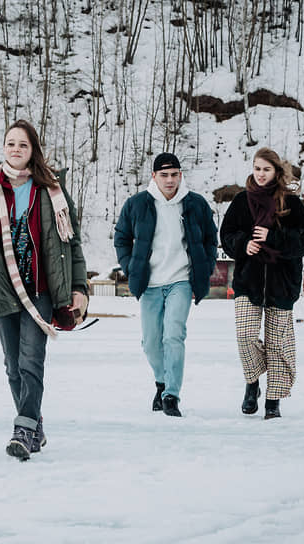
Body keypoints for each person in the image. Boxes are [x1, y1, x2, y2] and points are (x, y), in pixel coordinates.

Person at [0, 119, 89, 460]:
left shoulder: (51, 193)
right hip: (4, 291)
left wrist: (79, 287)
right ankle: (35, 427)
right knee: (13, 366)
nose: (16, 149)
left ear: (33, 151)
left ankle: (23, 429)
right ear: (4, 148)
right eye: (11, 143)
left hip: (40, 291)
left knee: (31, 361)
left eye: (23, 144)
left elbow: (72, 245)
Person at [114, 152, 218, 417]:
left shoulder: (195, 204)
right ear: (154, 176)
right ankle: (161, 381)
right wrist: (130, 267)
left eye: (174, 175)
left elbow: (210, 238)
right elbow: (121, 237)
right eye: (164, 175)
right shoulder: (137, 204)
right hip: (149, 283)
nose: (170, 180)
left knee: (173, 334)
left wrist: (204, 269)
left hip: (181, 281)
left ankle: (171, 394)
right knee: (151, 342)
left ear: (180, 175)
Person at [219, 147, 304, 420]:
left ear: (276, 171)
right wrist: (243, 244)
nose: (260, 174)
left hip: (282, 283)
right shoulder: (242, 201)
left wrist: (273, 237)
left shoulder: (292, 204)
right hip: (248, 280)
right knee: (245, 335)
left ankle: (273, 401)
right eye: (257, 168)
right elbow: (226, 234)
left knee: (277, 344)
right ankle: (252, 382)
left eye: (266, 169)